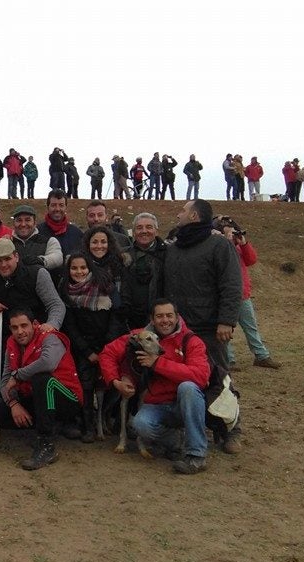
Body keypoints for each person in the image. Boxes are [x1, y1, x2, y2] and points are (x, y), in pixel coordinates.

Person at [161, 199, 242, 453]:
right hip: (178, 330)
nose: (178, 214)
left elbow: (231, 284)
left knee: (219, 380)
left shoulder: (218, 245)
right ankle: (184, 428)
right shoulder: (173, 249)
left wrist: (226, 320)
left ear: (194, 216)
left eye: (183, 211)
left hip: (210, 329)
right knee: (179, 381)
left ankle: (230, 429)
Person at [100, 299, 212, 474]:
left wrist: (158, 363)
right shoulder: (139, 335)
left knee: (188, 388)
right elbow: (108, 353)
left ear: (177, 318)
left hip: (184, 404)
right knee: (139, 425)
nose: (165, 320)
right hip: (156, 404)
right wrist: (116, 382)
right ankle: (176, 440)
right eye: (159, 316)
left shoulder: (191, 340)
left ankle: (196, 455)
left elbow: (201, 376)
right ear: (152, 319)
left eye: (169, 316)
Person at [0, 311, 82, 471]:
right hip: (36, 397)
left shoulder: (50, 337)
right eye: (15, 327)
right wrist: (13, 404)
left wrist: (18, 375)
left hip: (67, 397)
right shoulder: (11, 343)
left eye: (24, 325)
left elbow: (47, 363)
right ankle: (43, 425)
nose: (20, 331)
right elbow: (5, 380)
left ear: (34, 324)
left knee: (42, 379)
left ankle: (46, 444)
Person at [58, 252, 121, 441]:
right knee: (84, 386)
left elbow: (117, 316)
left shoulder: (106, 286)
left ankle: (107, 419)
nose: (79, 271)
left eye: (83, 267)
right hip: (82, 348)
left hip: (107, 345)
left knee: (112, 385)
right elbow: (70, 326)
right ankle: (88, 425)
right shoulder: (65, 291)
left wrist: (105, 349)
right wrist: (87, 351)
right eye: (74, 268)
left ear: (90, 268)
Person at [213, 216, 280, 370]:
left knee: (251, 327)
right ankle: (228, 359)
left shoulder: (237, 246)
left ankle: (261, 355)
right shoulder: (219, 246)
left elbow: (251, 260)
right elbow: (223, 261)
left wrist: (244, 244)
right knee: (225, 330)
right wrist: (227, 241)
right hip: (224, 296)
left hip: (242, 295)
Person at [0, 238, 65, 332]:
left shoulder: (37, 273)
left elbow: (55, 304)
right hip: (5, 331)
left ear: (16, 257)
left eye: (7, 259)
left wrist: (52, 325)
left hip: (36, 330)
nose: (3, 265)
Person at [119, 212, 167, 330]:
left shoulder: (168, 254)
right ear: (134, 232)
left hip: (161, 318)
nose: (144, 231)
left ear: (156, 231)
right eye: (139, 228)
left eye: (149, 227)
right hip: (130, 320)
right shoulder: (122, 255)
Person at [36, 190, 84, 269]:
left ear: (65, 207)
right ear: (48, 207)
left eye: (61, 205)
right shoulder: (37, 232)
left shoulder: (77, 234)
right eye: (53, 205)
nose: (57, 209)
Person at [10, 204, 63, 273]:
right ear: (13, 223)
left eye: (28, 220)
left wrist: (40, 260)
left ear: (35, 223)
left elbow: (57, 258)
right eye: (19, 220)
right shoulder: (7, 242)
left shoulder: (49, 241)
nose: (23, 224)